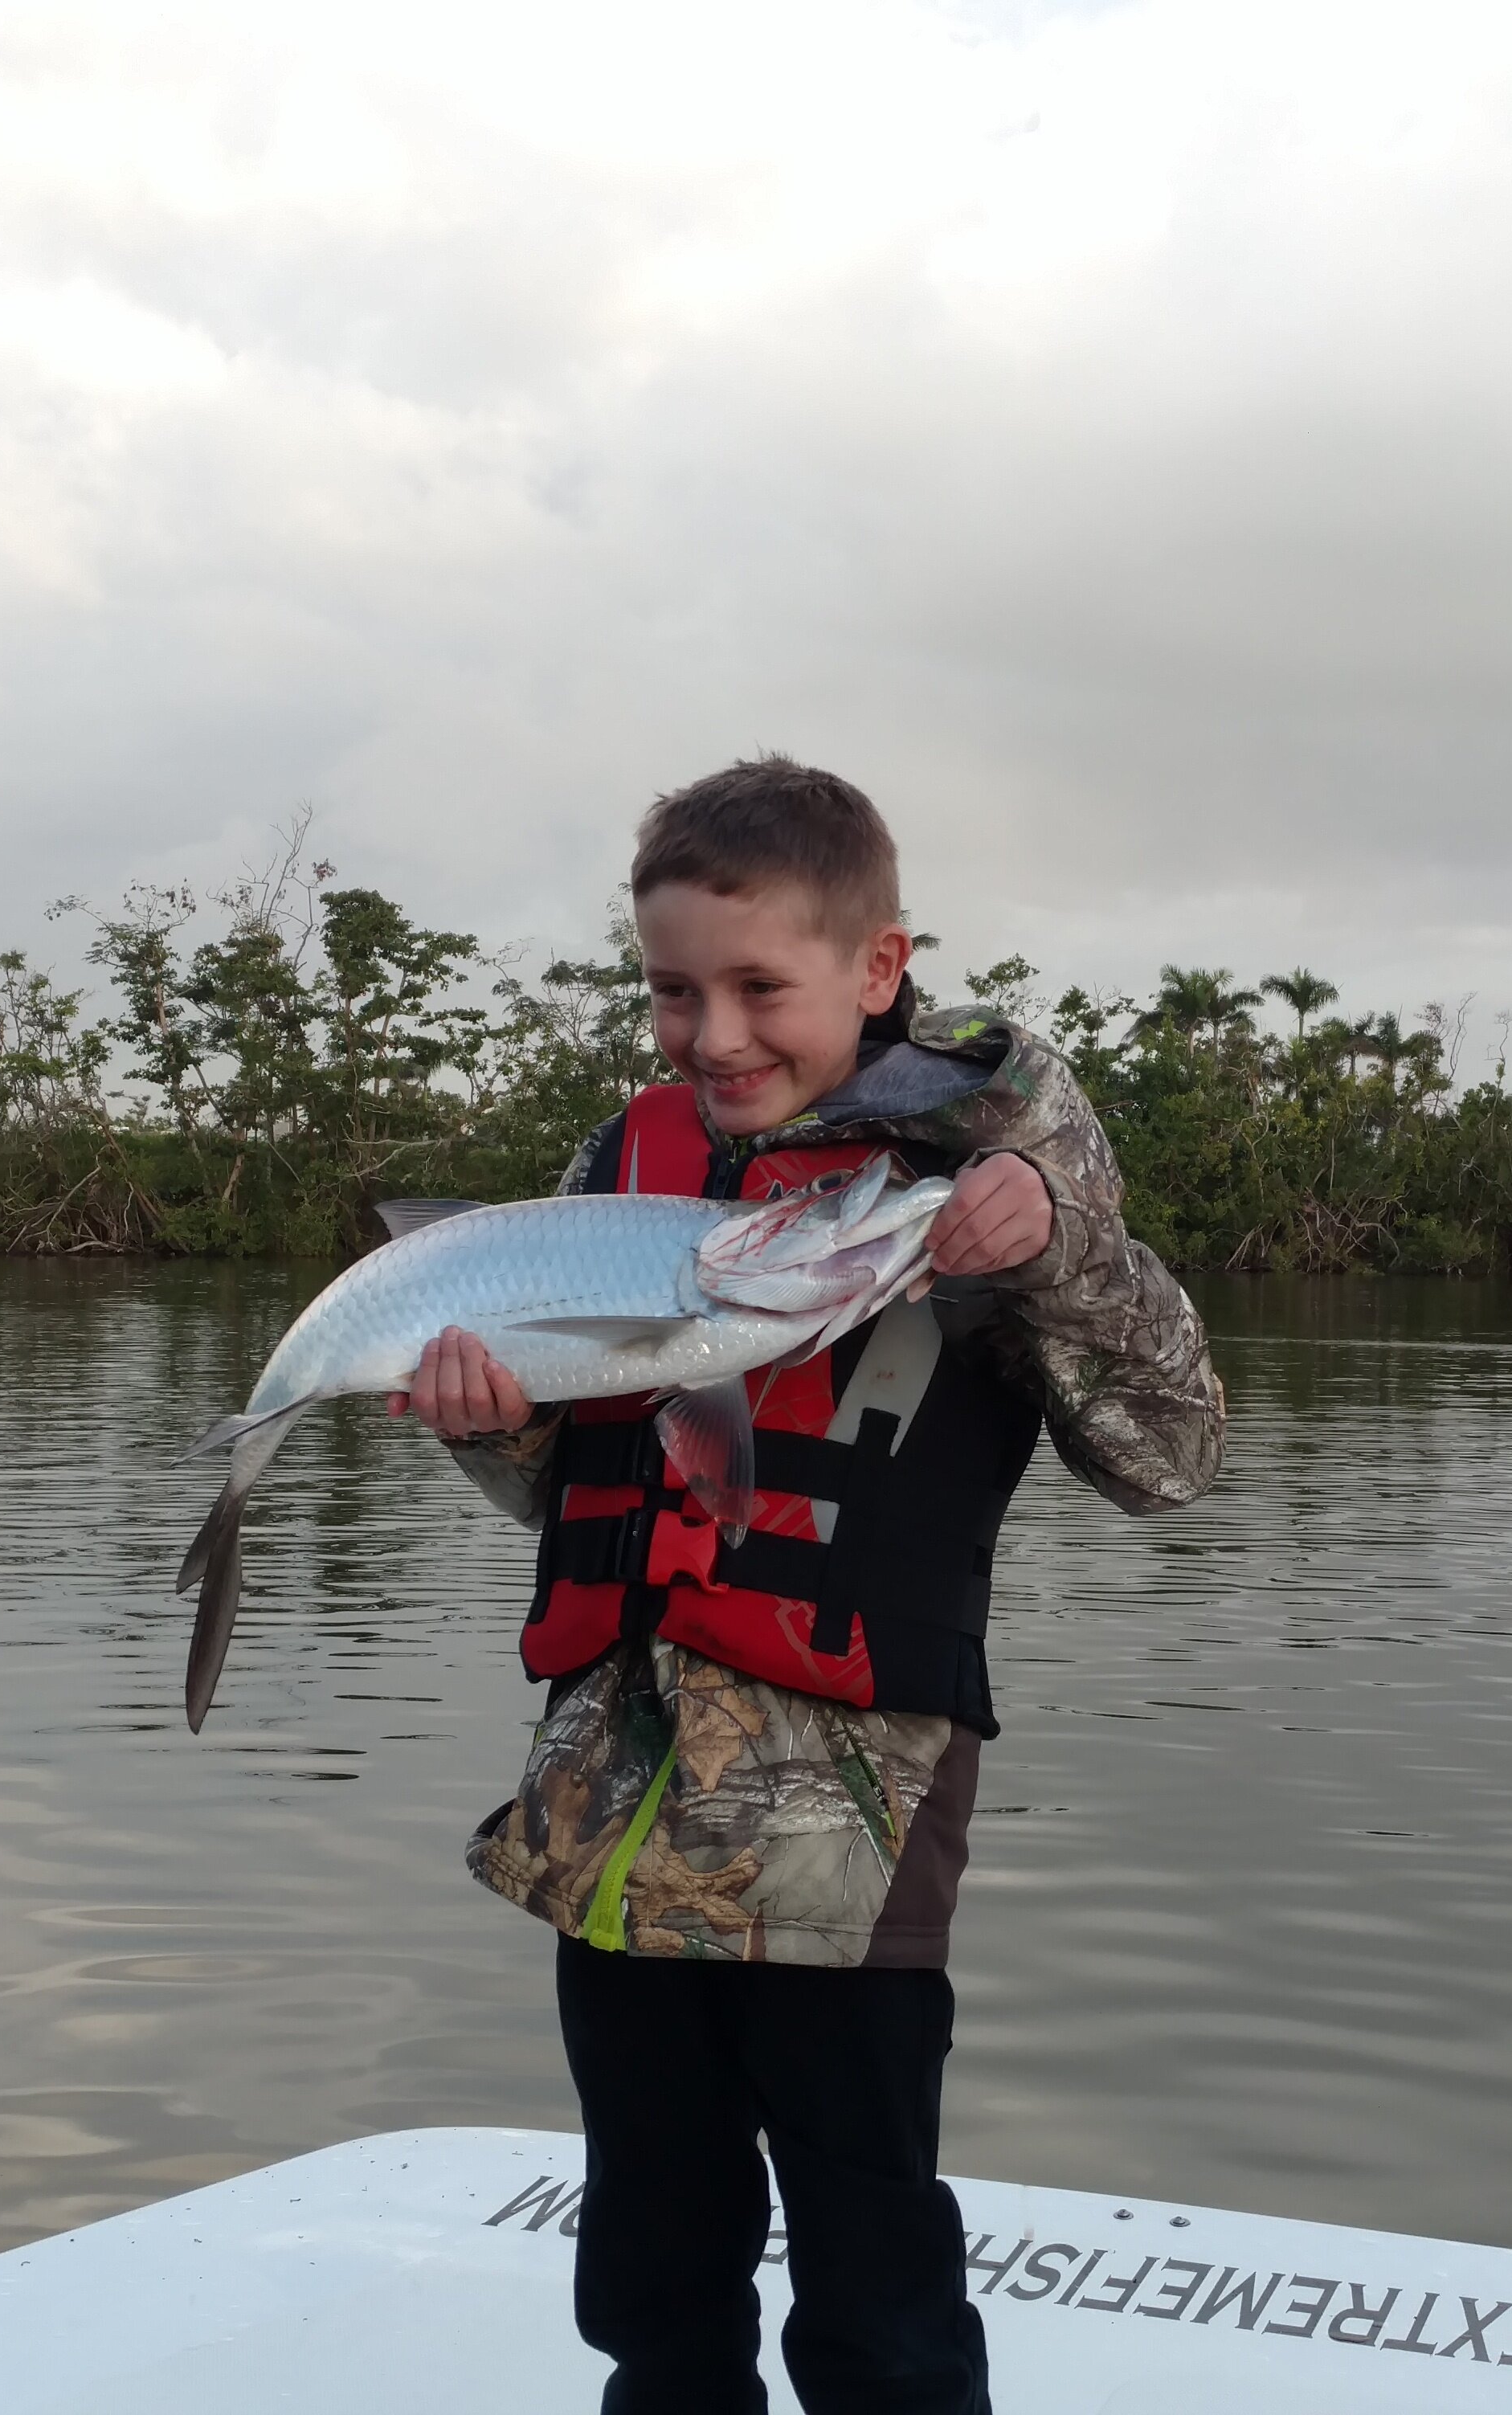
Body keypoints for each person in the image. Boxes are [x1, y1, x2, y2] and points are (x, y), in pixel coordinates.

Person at [394, 756, 1224, 2415]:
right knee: (649, 2259)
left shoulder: (983, 1177)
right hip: (607, 1812)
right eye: (672, 993)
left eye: (759, 988)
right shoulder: (619, 1168)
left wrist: (1056, 1251)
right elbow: (579, 1498)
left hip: (847, 1831)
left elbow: (1168, 1458)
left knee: (871, 2281)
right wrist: (482, 1427)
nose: (714, 1038)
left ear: (876, 968)